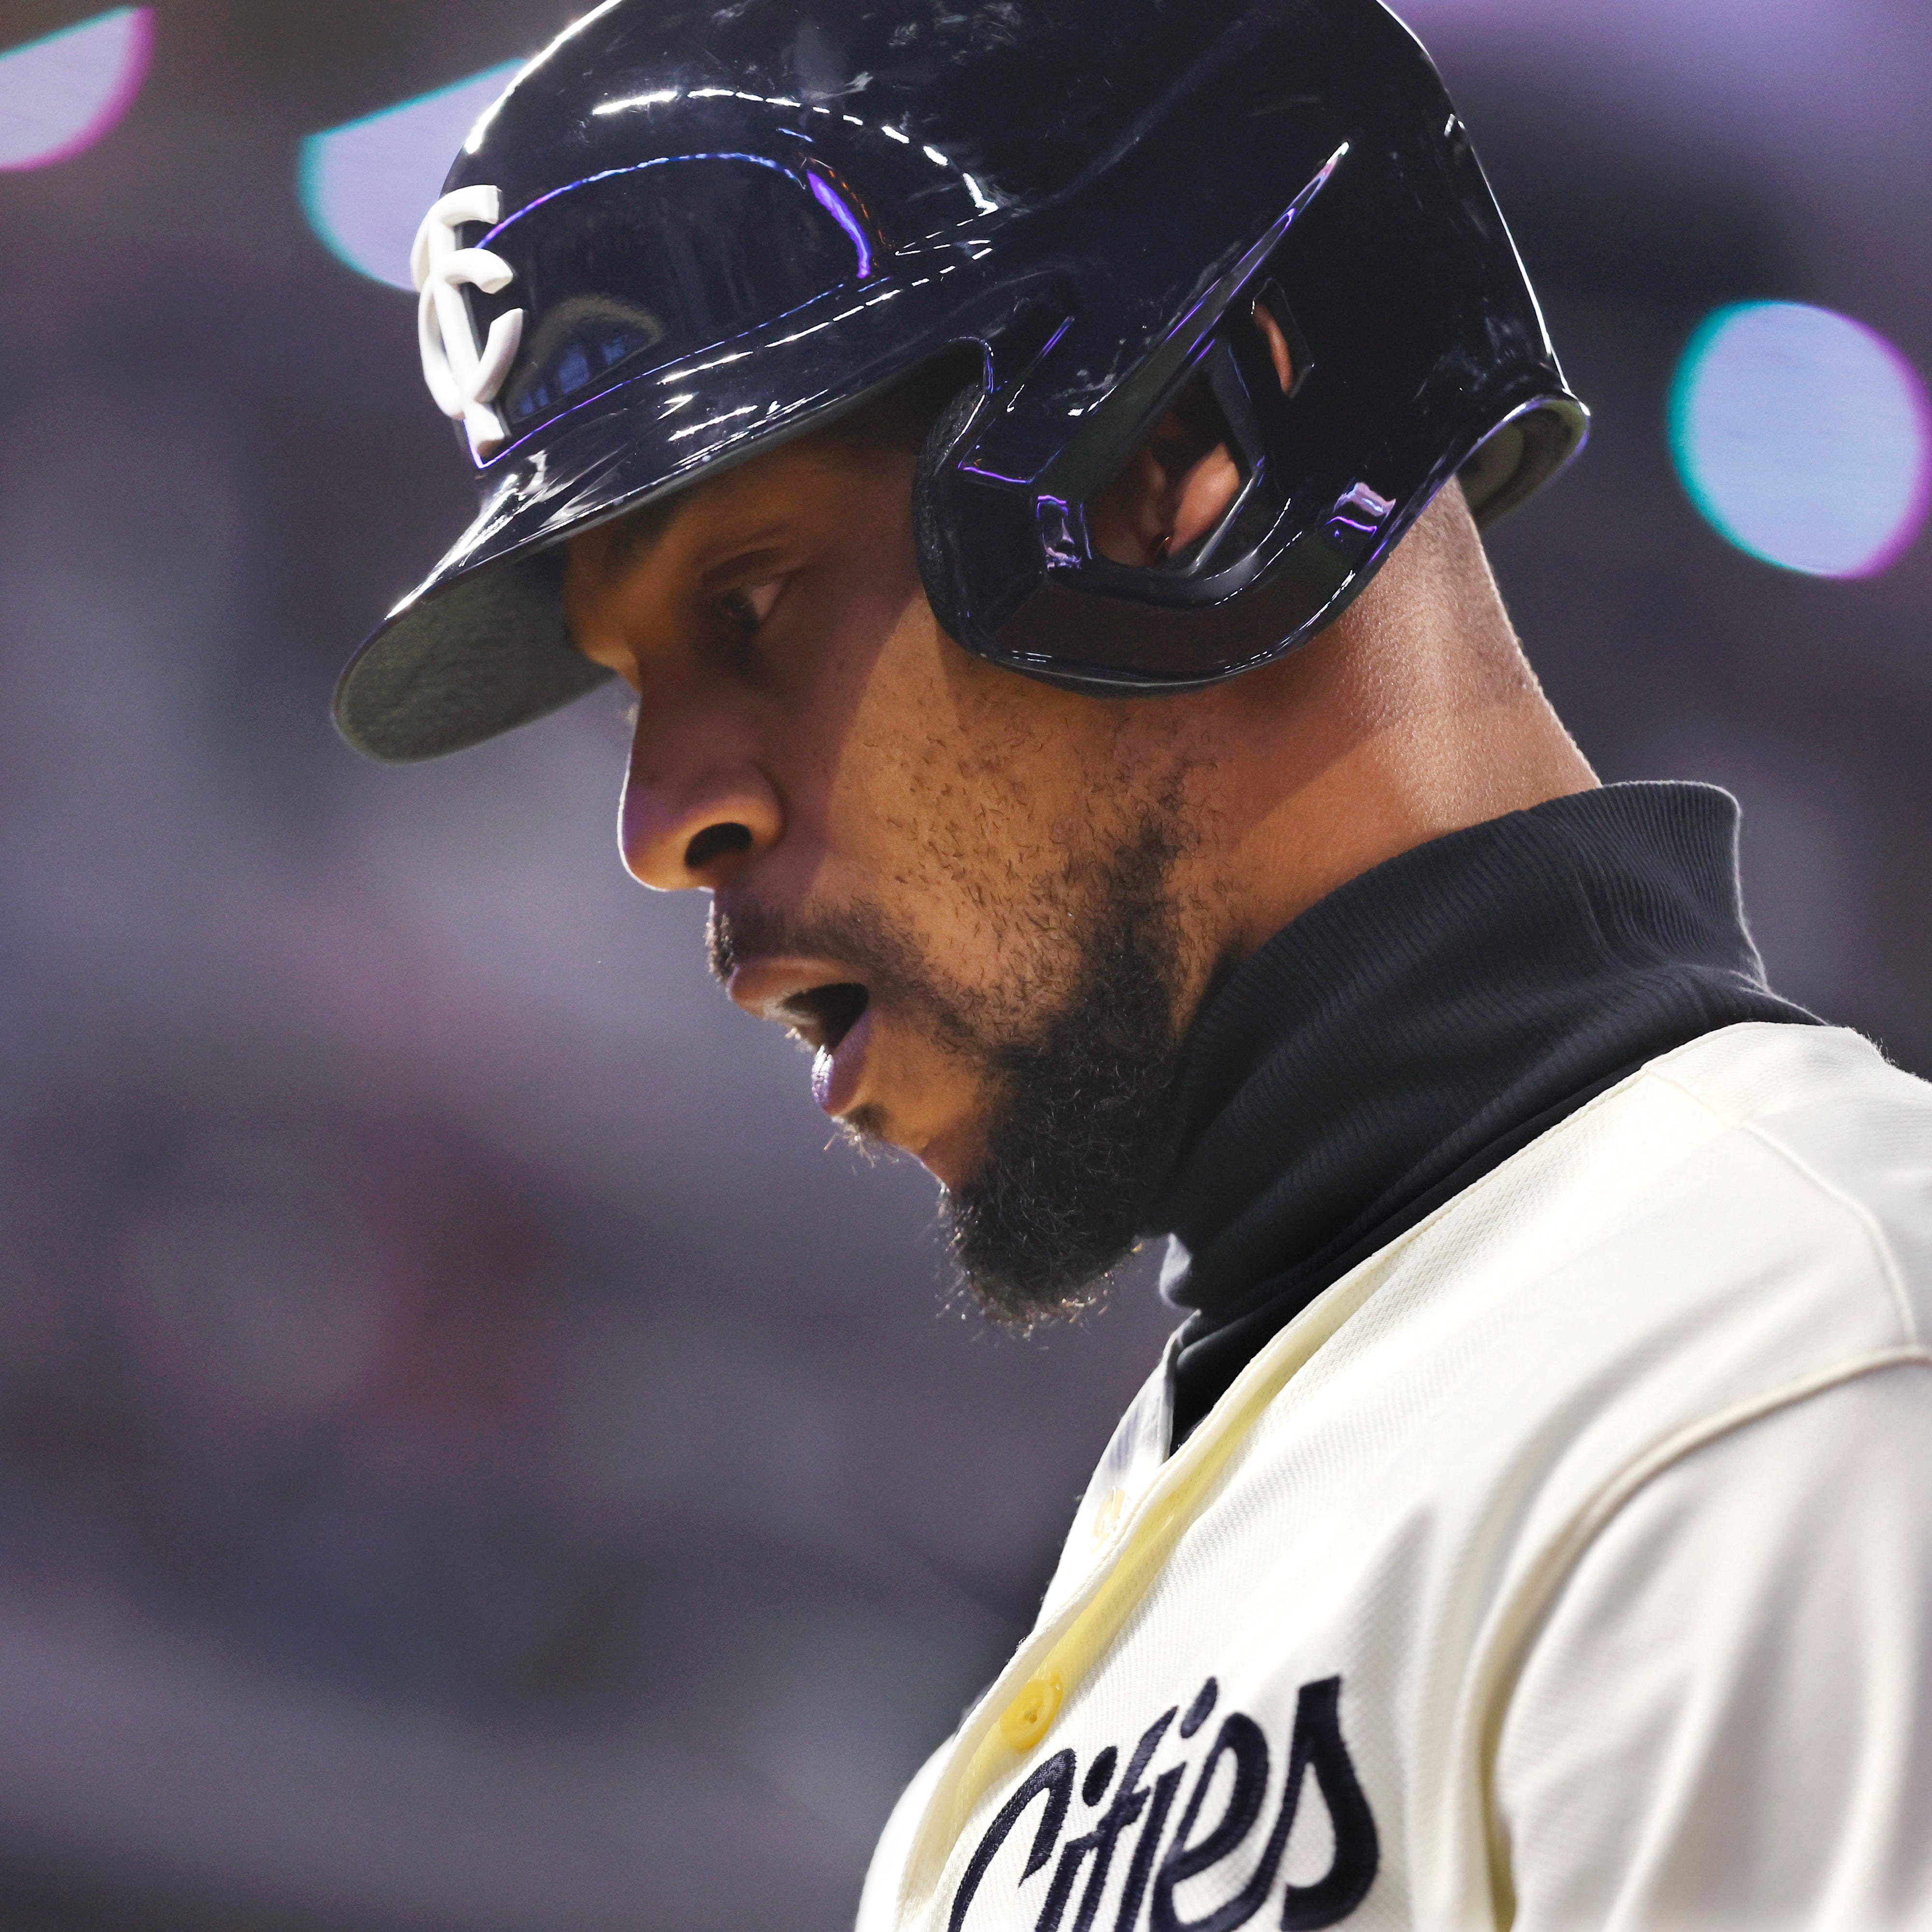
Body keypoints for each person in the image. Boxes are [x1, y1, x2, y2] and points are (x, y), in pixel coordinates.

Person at [335, 0, 1932, 1924]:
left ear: (1179, 457)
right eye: (628, 698)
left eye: (749, 611)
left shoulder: (1792, 1354)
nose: (662, 820)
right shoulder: (1084, 1669)